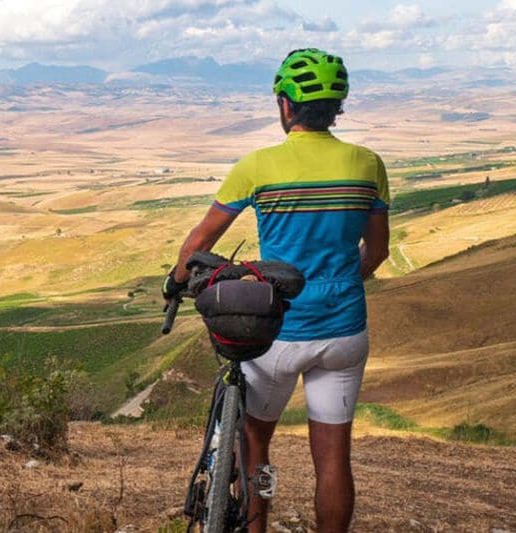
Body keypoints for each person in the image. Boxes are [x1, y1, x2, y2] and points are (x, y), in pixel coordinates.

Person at [163, 48, 391, 532]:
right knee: (333, 459)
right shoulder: (368, 165)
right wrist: (347, 281)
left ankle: (257, 522)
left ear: (285, 105)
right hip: (345, 330)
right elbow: (377, 252)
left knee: (255, 444)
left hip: (276, 332)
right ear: (337, 107)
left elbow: (200, 243)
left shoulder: (258, 166)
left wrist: (175, 282)